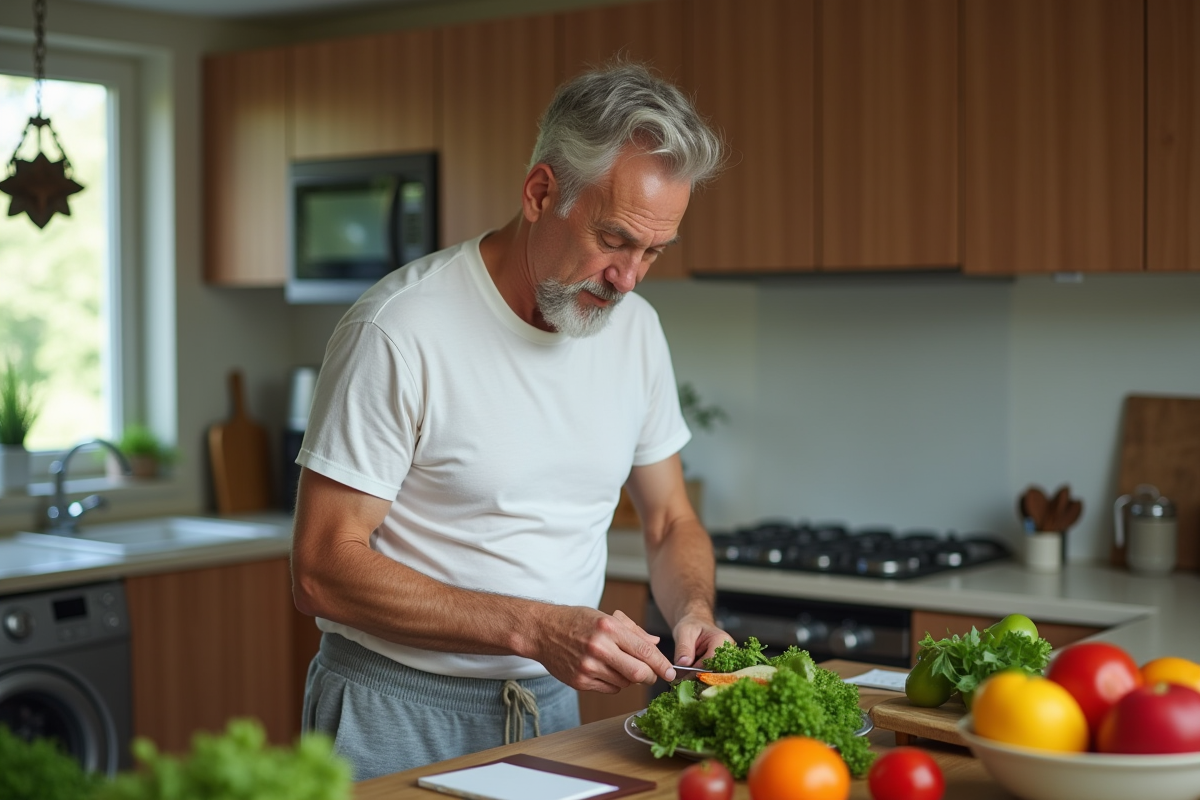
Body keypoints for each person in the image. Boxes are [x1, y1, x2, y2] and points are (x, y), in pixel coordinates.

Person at [291, 61, 730, 780]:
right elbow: (320, 568)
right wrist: (534, 625)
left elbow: (669, 522)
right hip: (392, 710)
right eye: (615, 239)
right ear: (540, 192)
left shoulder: (638, 331)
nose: (630, 278)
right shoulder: (401, 329)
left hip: (548, 710)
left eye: (653, 251)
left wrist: (694, 611)